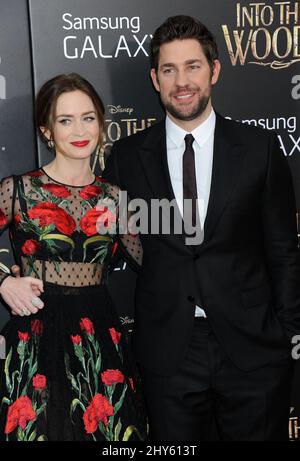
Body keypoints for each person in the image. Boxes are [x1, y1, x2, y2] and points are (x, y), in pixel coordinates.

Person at [103, 15, 300, 441]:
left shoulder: (259, 149)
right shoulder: (126, 156)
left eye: (192, 66)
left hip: (253, 348)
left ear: (214, 70)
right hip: (170, 352)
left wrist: (287, 336)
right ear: (155, 79)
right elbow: (108, 244)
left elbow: (284, 252)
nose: (182, 82)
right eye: (169, 70)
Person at [0, 73, 147, 441]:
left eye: (88, 117)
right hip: (35, 337)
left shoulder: (117, 198)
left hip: (99, 339)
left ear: (101, 122)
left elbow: (155, 264)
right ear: (47, 131)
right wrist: (4, 280)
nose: (79, 129)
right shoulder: (18, 190)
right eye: (65, 120)